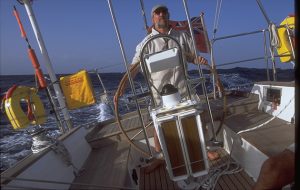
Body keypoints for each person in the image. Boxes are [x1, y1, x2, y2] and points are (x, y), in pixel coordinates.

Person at [117, 4, 219, 171]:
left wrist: (197, 60)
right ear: (153, 19)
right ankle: (160, 157)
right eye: (157, 13)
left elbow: (192, 56)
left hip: (182, 87)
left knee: (198, 116)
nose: (161, 15)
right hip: (159, 93)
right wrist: (123, 85)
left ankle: (204, 148)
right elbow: (134, 67)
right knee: (159, 126)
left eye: (164, 12)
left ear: (168, 15)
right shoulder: (145, 44)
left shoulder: (182, 36)